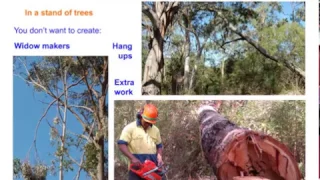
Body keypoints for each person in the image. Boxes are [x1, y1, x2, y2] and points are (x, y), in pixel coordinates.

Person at [117, 103, 165, 180]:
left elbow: (159, 145)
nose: (148, 124)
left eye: (150, 123)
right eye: (146, 122)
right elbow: (122, 145)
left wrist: (159, 157)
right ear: (140, 116)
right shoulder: (130, 128)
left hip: (153, 169)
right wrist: (132, 158)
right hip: (137, 170)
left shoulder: (156, 130)